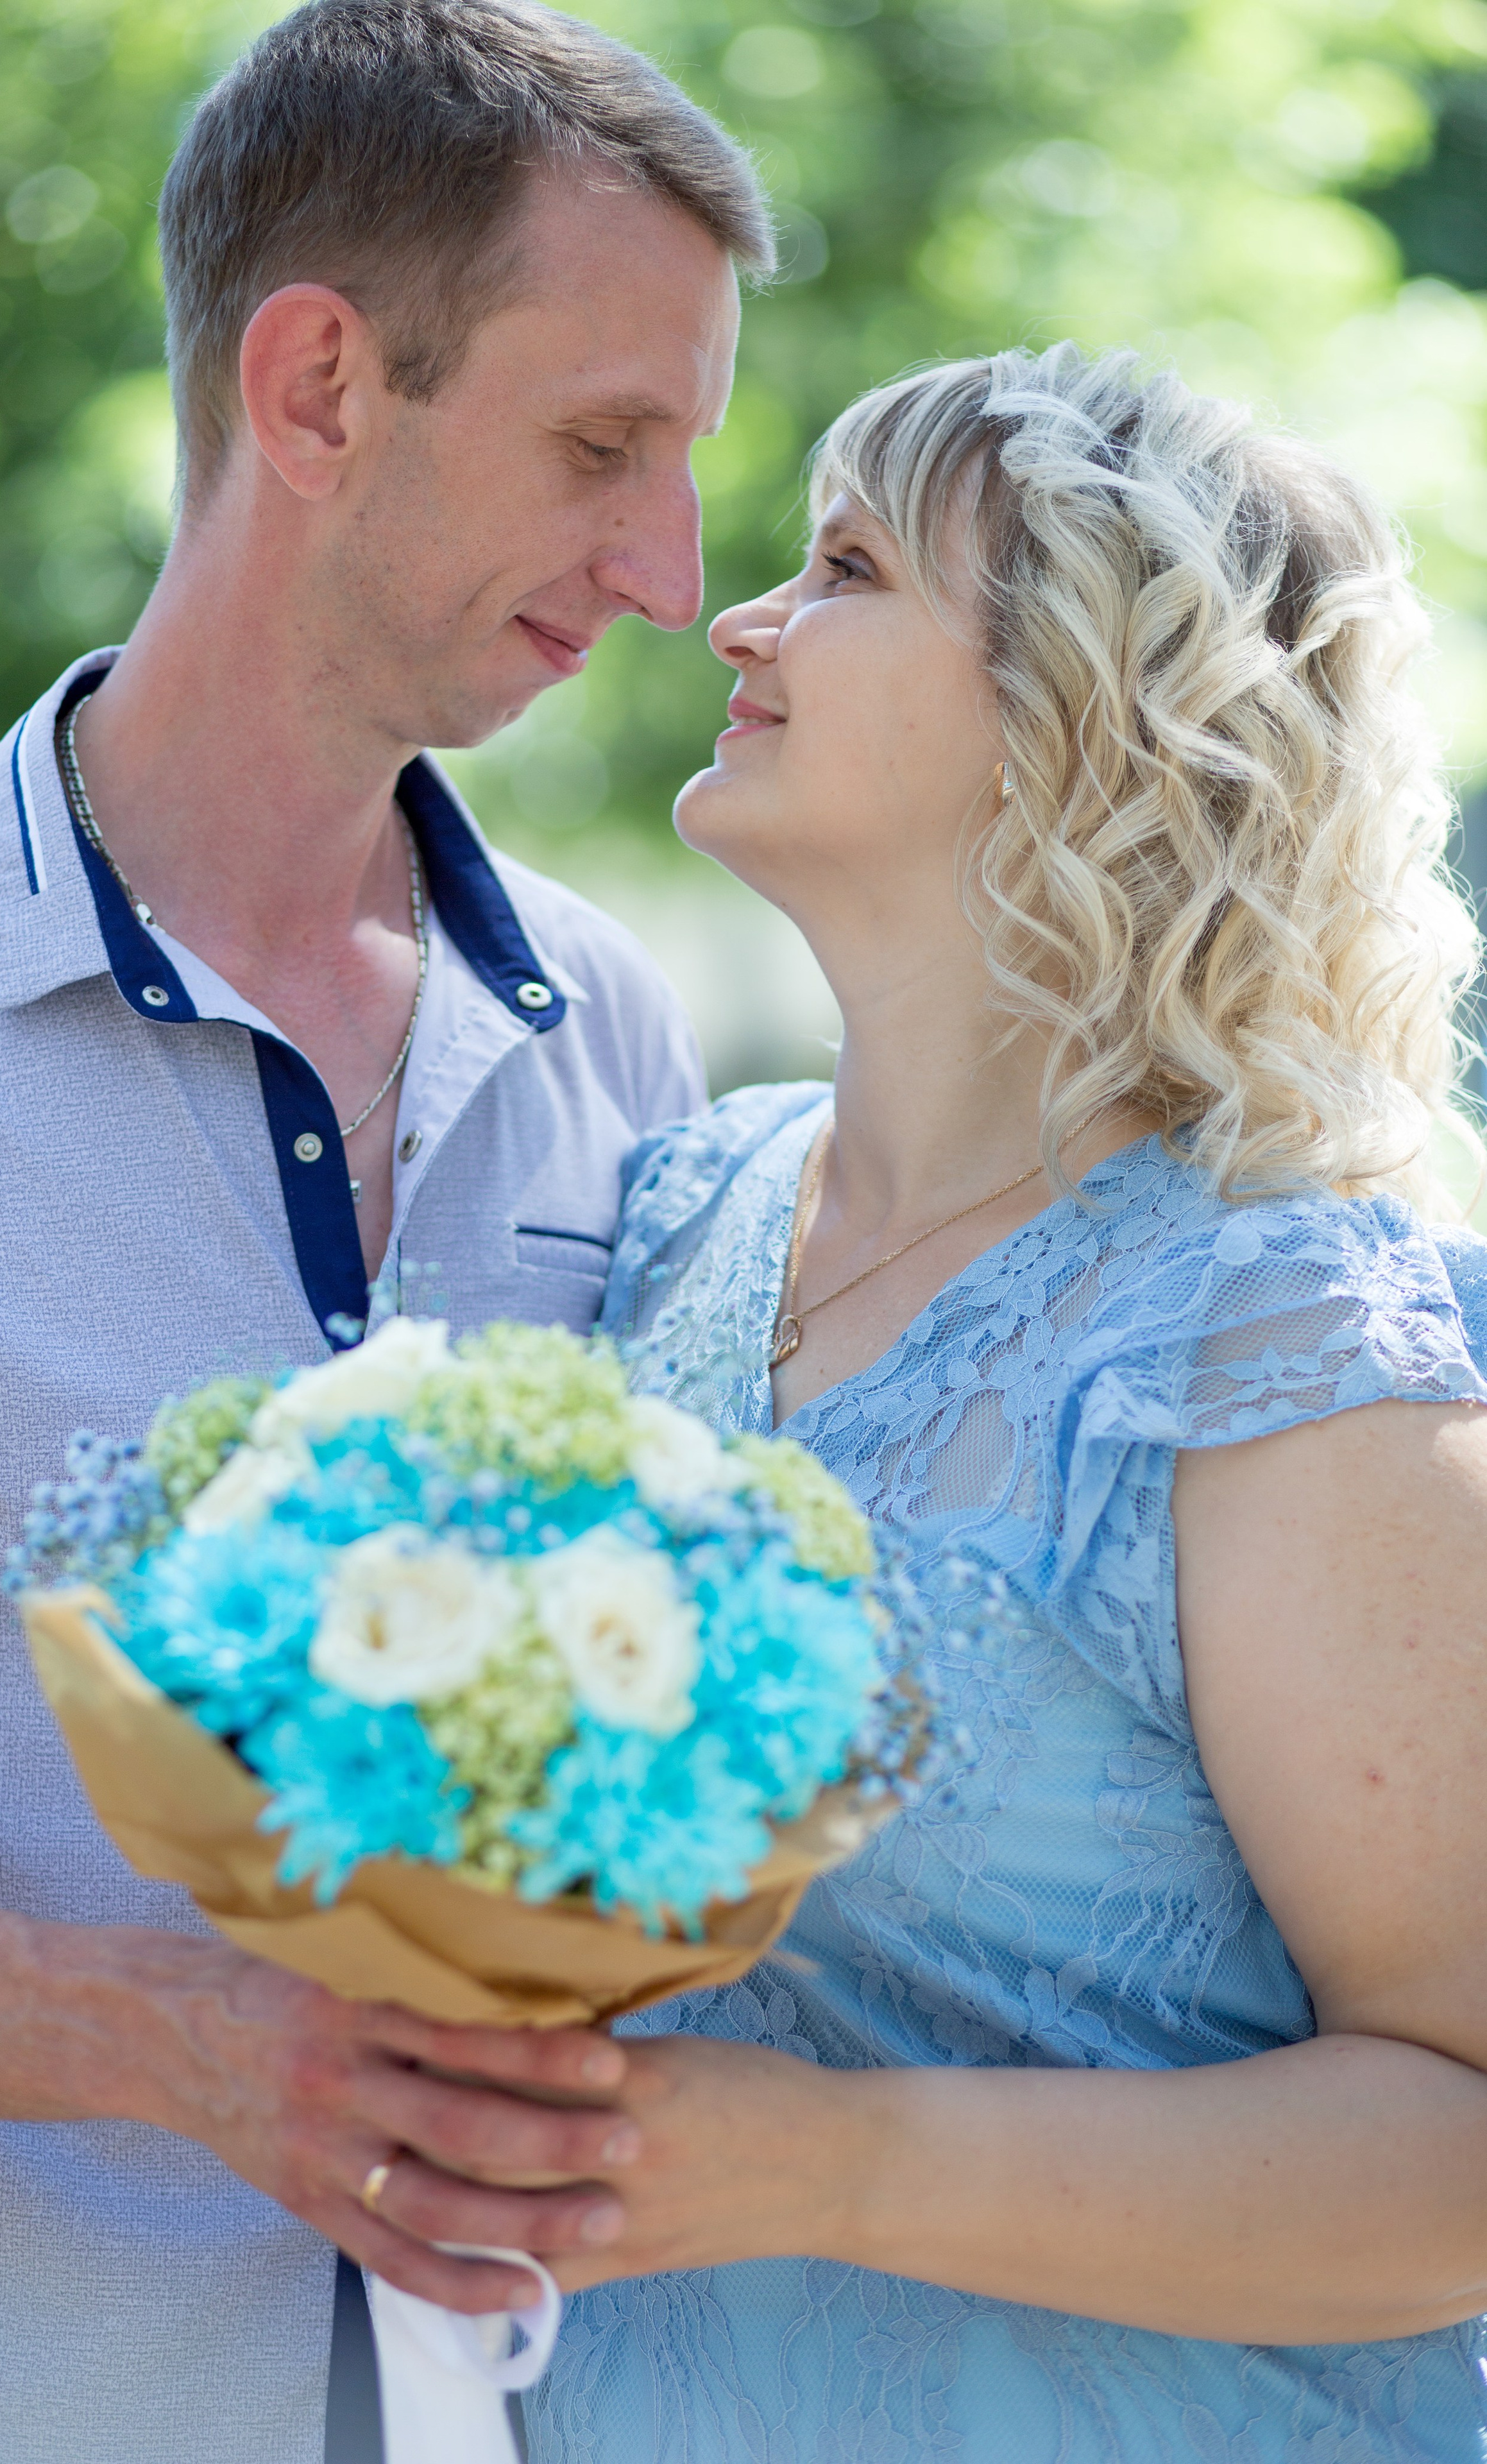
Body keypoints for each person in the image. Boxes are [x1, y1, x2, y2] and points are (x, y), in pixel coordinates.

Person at [0, 4, 772, 2458]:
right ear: (324, 388)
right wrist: (162, 2041)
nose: (673, 575)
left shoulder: (613, 1029)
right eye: (605, 448)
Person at [507, 345, 1487, 2457]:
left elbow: (1467, 2136)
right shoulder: (677, 1210)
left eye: (845, 565)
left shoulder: (1279, 1337)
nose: (739, 620)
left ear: (1079, 717)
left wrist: (824, 2165)